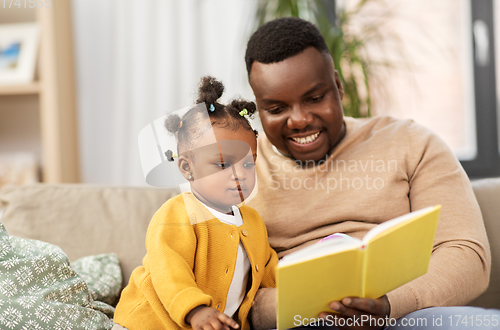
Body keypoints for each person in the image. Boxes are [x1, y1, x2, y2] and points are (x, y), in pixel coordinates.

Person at [244, 17, 498, 329]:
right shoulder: (233, 173)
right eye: (277, 109)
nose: (299, 120)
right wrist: (308, 307)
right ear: (258, 107)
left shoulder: (410, 142)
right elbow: (218, 286)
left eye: (314, 98)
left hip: (408, 315)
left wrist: (389, 305)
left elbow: (466, 253)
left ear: (337, 86)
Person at [113, 76, 278, 330]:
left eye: (248, 163)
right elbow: (168, 269)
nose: (240, 174)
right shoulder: (178, 214)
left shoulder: (254, 223)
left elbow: (269, 275)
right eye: (223, 164)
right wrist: (195, 309)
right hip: (148, 323)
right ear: (188, 168)